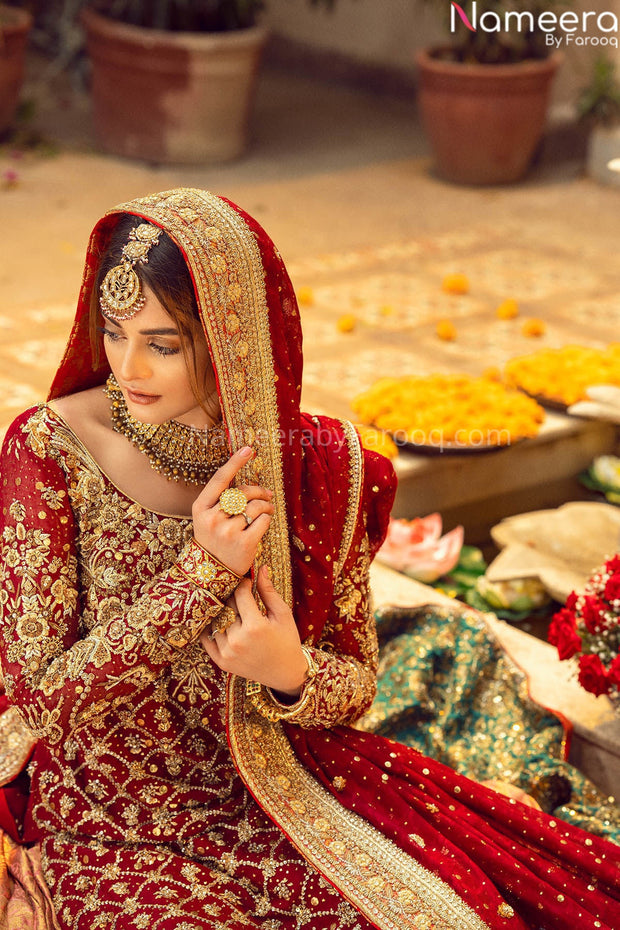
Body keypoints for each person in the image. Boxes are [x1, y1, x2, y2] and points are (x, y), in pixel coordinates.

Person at [0, 188, 619, 930]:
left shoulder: (320, 465)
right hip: (113, 810)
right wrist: (201, 575)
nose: (126, 365)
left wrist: (288, 670)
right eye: (112, 332)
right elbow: (39, 699)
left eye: (163, 343)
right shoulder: (52, 449)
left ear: (232, 336)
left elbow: (357, 686)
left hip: (277, 782)